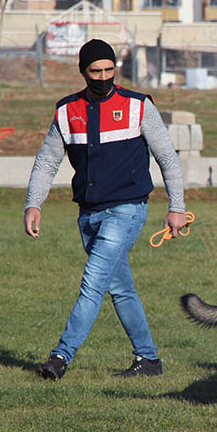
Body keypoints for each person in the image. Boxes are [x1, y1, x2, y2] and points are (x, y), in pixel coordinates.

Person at [23, 39, 187, 380]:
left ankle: (60, 356)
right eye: (95, 71)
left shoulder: (139, 105)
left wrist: (177, 208)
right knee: (120, 288)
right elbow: (47, 162)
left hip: (127, 211)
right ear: (83, 72)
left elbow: (168, 159)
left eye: (109, 70)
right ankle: (149, 360)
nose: (103, 77)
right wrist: (33, 203)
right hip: (88, 214)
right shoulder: (66, 111)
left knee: (93, 283)